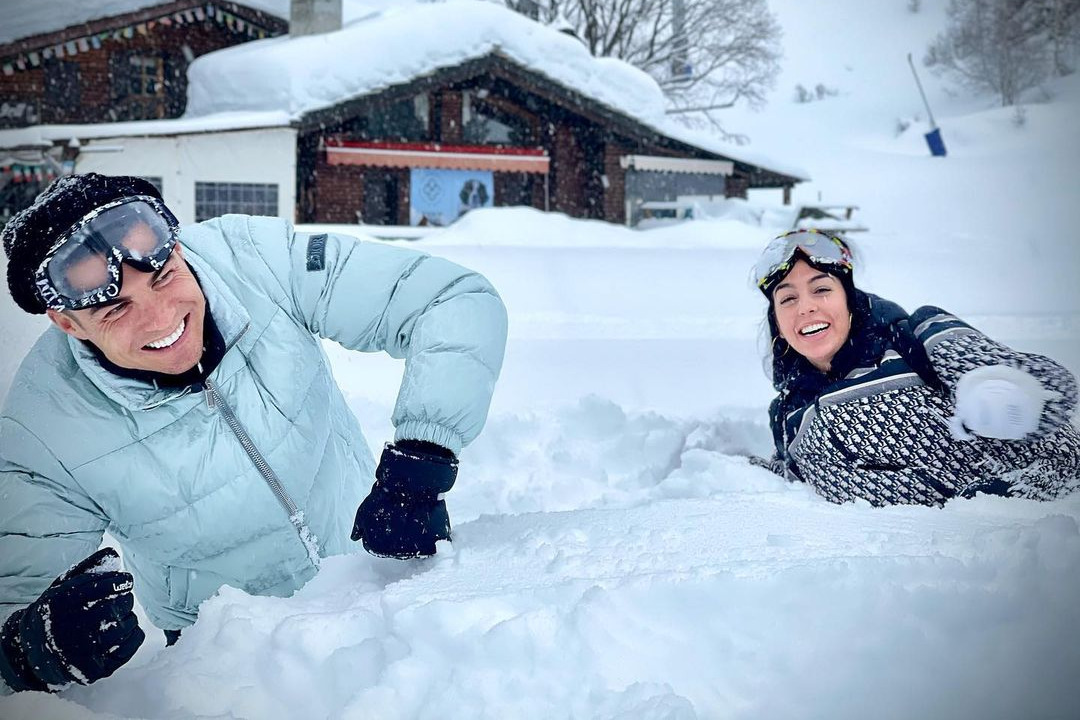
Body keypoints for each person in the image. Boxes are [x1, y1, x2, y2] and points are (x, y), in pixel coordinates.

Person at [0, 173, 507, 693]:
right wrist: (24, 649)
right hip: (232, 665)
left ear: (175, 247)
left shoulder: (255, 260)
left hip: (376, 581)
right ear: (67, 323)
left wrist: (422, 460)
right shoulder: (43, 429)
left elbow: (452, 300)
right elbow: (11, 602)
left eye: (163, 278)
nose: (162, 319)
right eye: (116, 309)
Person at [755, 228, 1080, 506]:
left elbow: (1050, 389)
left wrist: (999, 388)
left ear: (848, 298)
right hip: (930, 558)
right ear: (777, 321)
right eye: (787, 299)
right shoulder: (787, 415)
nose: (806, 307)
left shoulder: (918, 339)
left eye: (822, 289)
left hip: (1045, 521)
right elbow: (788, 481)